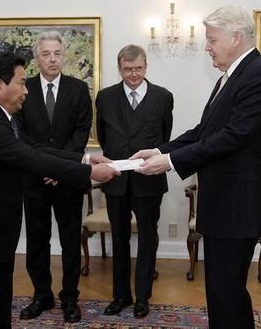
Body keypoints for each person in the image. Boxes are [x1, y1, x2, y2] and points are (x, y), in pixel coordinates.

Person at [132, 6, 261, 328]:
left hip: (238, 207)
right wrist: (160, 150)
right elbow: (204, 131)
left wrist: (170, 162)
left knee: (227, 293)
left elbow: (233, 136)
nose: (207, 47)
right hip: (222, 205)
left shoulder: (259, 74)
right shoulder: (230, 78)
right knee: (220, 292)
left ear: (236, 37)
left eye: (212, 40)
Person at [0, 51, 118, 329]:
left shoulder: (0, 117)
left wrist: (85, 158)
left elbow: (34, 148)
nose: (27, 90)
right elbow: (31, 159)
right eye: (22, 83)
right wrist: (88, 173)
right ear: (0, 86)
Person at [16, 31, 92, 323]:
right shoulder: (23, 89)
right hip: (34, 179)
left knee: (71, 241)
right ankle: (41, 295)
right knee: (37, 241)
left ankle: (70, 298)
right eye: (46, 54)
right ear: (37, 58)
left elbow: (82, 132)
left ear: (64, 55)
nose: (52, 59)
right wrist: (46, 167)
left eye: (57, 53)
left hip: (68, 181)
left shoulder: (78, 88)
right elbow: (19, 134)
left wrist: (60, 169)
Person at [96, 44, 173, 319]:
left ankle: (142, 296)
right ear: (120, 69)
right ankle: (121, 295)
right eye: (128, 69)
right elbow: (104, 136)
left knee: (148, 238)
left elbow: (164, 136)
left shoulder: (163, 97)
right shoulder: (104, 97)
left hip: (149, 180)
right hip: (116, 180)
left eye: (138, 69)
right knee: (119, 239)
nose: (133, 74)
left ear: (146, 67)